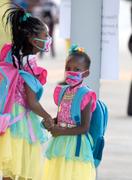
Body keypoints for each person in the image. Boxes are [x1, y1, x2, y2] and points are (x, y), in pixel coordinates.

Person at [0, 3, 54, 180]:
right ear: (32, 39)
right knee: (25, 169)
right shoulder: (30, 66)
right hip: (22, 121)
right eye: (45, 35)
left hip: (5, 115)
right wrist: (48, 117)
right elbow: (32, 102)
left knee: (9, 170)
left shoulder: (8, 51)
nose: (48, 38)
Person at [42, 44, 97, 180]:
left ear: (86, 73)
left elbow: (84, 127)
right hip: (60, 143)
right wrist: (51, 122)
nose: (71, 72)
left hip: (75, 145)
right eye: (68, 68)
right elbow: (63, 116)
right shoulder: (63, 91)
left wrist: (60, 131)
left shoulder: (86, 95)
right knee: (59, 174)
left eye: (77, 69)